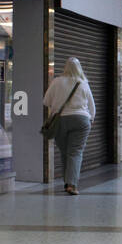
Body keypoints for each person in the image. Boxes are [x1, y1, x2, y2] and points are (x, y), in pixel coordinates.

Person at [42, 57, 96, 195]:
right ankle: (71, 184)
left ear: (65, 67)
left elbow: (46, 101)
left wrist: (57, 105)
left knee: (65, 152)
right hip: (81, 120)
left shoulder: (57, 82)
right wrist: (92, 118)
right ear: (79, 68)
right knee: (75, 152)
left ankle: (68, 182)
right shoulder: (83, 82)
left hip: (60, 121)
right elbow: (91, 105)